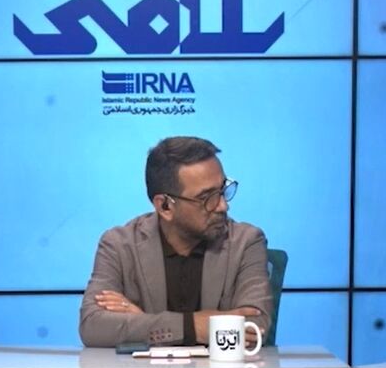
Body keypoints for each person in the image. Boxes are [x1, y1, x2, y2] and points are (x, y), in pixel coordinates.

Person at [79, 136, 273, 349]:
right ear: (165, 206)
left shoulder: (247, 242)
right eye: (206, 198)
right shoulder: (119, 245)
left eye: (222, 190)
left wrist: (143, 322)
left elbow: (255, 327)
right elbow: (93, 326)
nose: (222, 206)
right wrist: (194, 327)